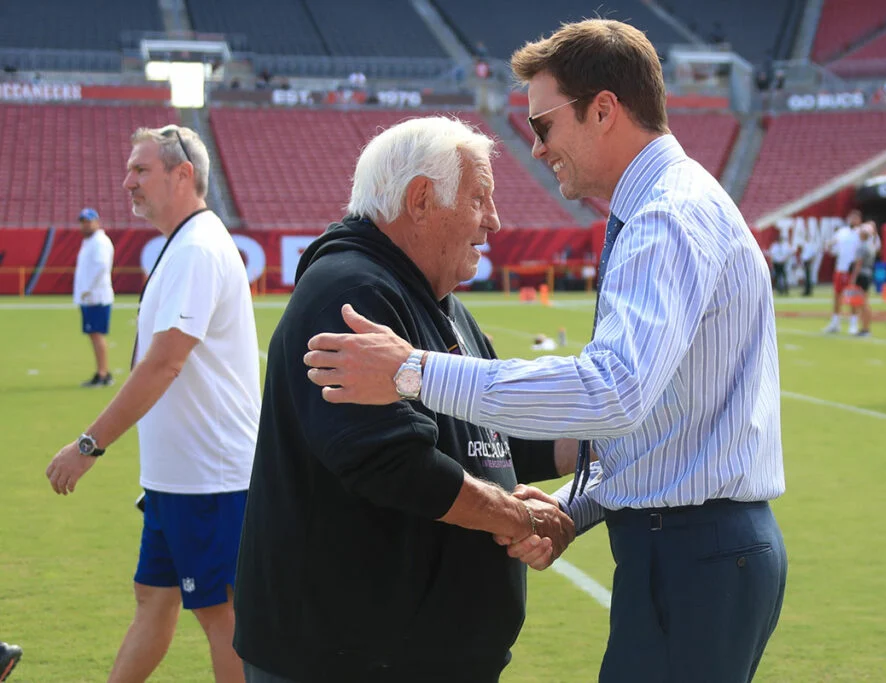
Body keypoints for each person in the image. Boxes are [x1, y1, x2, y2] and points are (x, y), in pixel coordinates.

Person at [302, 20, 786, 683]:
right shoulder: (665, 207)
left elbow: (614, 391)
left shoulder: (664, 217)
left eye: (545, 124)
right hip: (693, 549)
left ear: (605, 109)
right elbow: (659, 425)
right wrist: (574, 510)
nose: (535, 146)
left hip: (692, 551)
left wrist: (411, 370)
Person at [233, 116, 575, 683]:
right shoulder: (350, 293)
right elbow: (390, 462)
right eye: (480, 199)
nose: (493, 221)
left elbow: (490, 435)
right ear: (420, 199)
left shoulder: (440, 305)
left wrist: (595, 439)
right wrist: (514, 514)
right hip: (349, 659)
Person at [45, 124, 260, 683]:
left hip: (209, 477)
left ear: (182, 173)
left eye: (140, 170)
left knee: (220, 615)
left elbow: (164, 362)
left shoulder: (196, 249)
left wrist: (89, 445)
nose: (127, 183)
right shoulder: (183, 244)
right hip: (178, 478)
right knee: (153, 598)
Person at [73, 207, 115, 387]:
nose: (86, 225)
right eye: (83, 222)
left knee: (97, 335)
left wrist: (88, 289)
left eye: (89, 221)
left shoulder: (99, 242)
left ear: (97, 222)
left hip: (96, 296)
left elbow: (101, 267)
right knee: (93, 334)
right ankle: (102, 372)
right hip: (89, 296)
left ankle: (103, 374)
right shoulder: (89, 241)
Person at [824, 209, 864, 334]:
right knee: (837, 296)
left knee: (853, 297)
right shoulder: (842, 232)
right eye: (851, 217)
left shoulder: (861, 233)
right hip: (840, 268)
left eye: (855, 218)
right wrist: (829, 245)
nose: (853, 220)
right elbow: (833, 248)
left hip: (851, 269)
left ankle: (853, 323)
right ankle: (835, 322)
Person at [848, 222, 879, 336]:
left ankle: (865, 329)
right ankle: (865, 327)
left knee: (862, 303)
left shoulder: (862, 246)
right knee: (864, 302)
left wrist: (853, 278)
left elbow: (858, 264)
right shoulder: (871, 245)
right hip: (868, 273)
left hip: (862, 275)